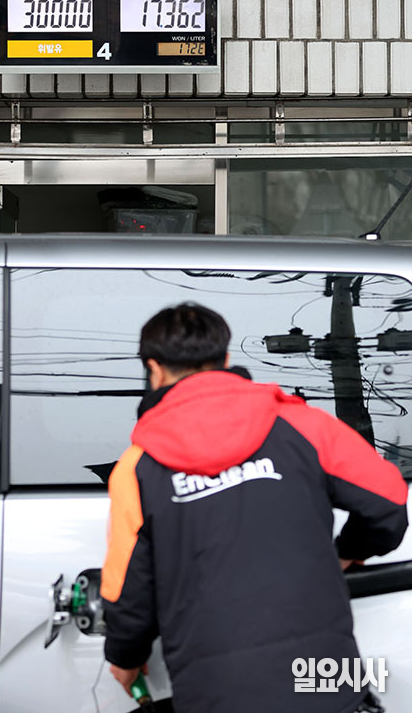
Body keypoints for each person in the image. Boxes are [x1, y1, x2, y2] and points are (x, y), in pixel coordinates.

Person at [101, 303, 408, 713]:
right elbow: (388, 502)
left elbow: (128, 591)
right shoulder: (306, 425)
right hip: (326, 685)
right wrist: (348, 551)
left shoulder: (136, 469)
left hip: (217, 695)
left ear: (154, 369)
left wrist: (124, 657)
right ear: (226, 360)